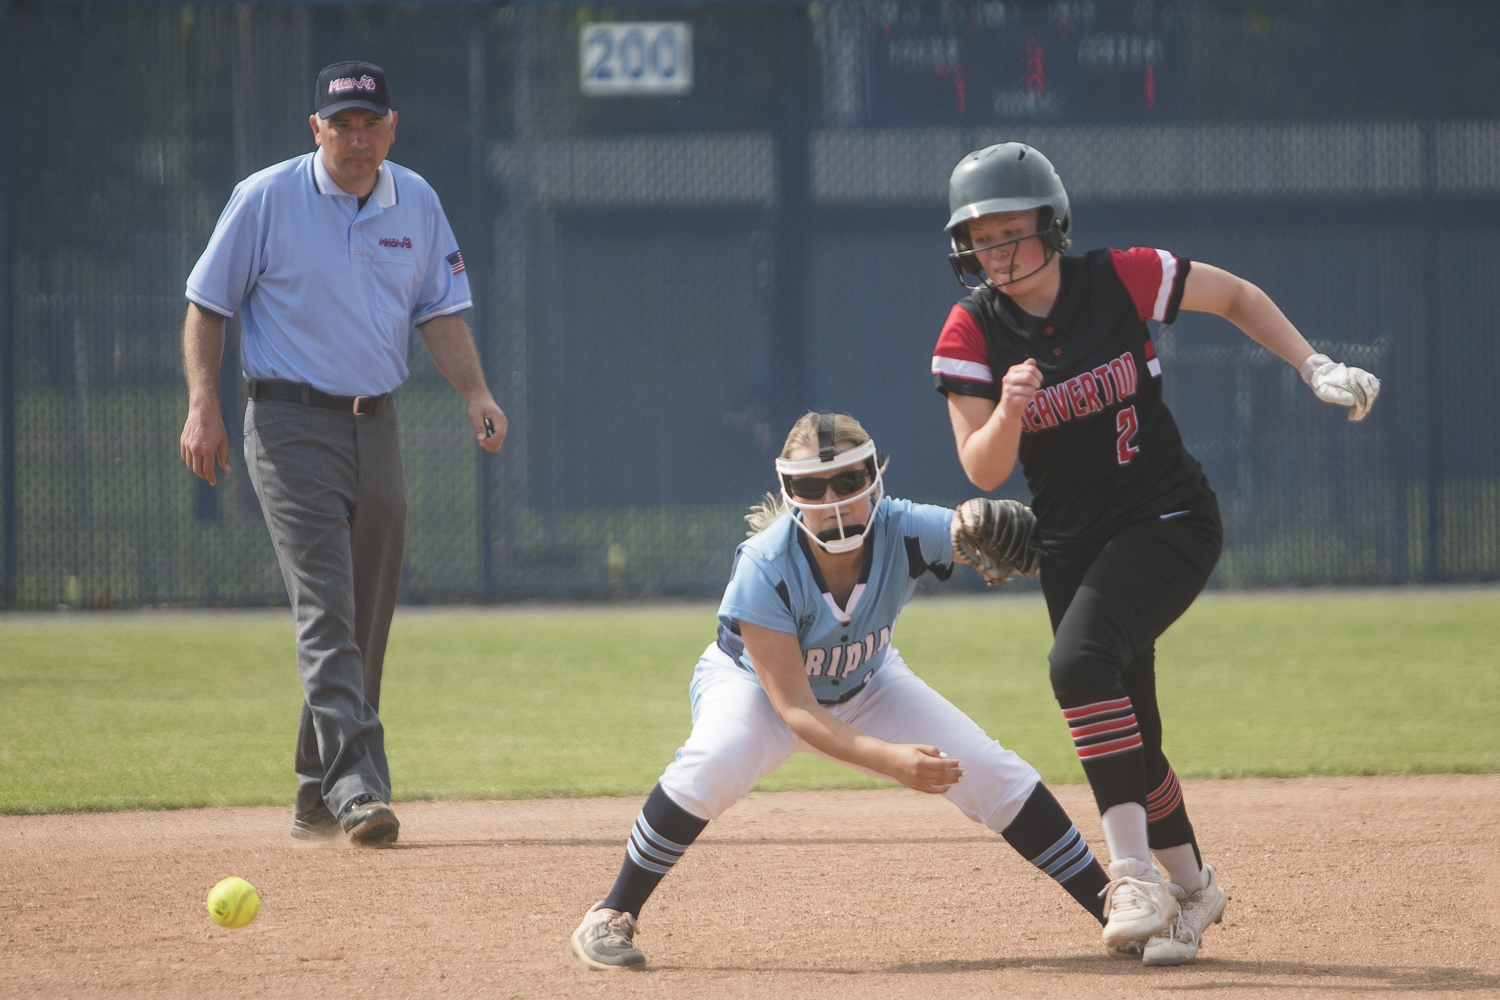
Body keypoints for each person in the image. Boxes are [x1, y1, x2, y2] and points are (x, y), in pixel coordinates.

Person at [928, 143, 1381, 965]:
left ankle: (1130, 875)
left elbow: (1235, 295)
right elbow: (983, 467)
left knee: (1077, 667)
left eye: (1014, 232)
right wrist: (1010, 412)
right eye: (982, 239)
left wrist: (1313, 365)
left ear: (1052, 224)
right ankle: (1196, 891)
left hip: (1169, 515)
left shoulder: (1119, 277)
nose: (1000, 252)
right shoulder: (972, 329)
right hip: (1070, 545)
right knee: (1134, 737)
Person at [571, 411, 1113, 970]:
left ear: (875, 478)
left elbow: (977, 535)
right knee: (717, 758)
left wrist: (1007, 533)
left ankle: (1113, 907)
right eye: (810, 486)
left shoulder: (903, 527)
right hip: (759, 688)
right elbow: (797, 709)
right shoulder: (765, 564)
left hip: (869, 680)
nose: (832, 499)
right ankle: (611, 912)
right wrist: (890, 760)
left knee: (984, 765)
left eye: (849, 481)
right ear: (791, 491)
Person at [178, 61, 507, 845]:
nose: (356, 138)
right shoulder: (265, 198)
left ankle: (314, 793)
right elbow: (207, 303)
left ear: (391, 128)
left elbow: (441, 312)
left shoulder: (416, 200)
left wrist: (476, 393)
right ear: (315, 128)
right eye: (341, 123)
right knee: (326, 607)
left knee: (365, 617)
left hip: (377, 425)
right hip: (288, 424)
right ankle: (360, 785)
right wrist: (203, 405)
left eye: (370, 123)